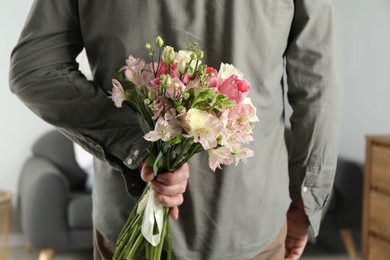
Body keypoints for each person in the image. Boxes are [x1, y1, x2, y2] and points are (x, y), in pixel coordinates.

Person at [9, 0, 342, 259]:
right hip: (248, 222)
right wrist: (307, 201)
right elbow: (317, 87)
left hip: (133, 225)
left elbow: (34, 70)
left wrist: (136, 145)